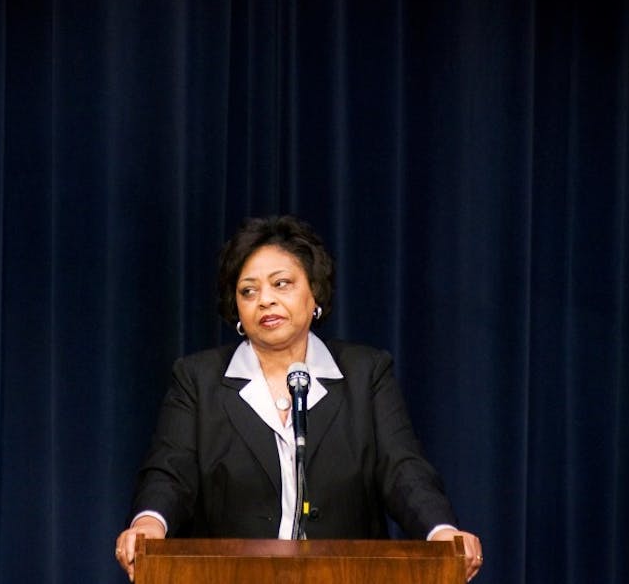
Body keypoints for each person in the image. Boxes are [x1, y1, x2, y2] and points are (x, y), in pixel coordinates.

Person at [114, 215, 484, 581]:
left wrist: (441, 533)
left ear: (315, 292)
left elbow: (403, 470)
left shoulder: (365, 374)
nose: (265, 300)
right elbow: (170, 471)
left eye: (282, 284)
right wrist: (149, 524)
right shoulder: (198, 379)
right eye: (248, 291)